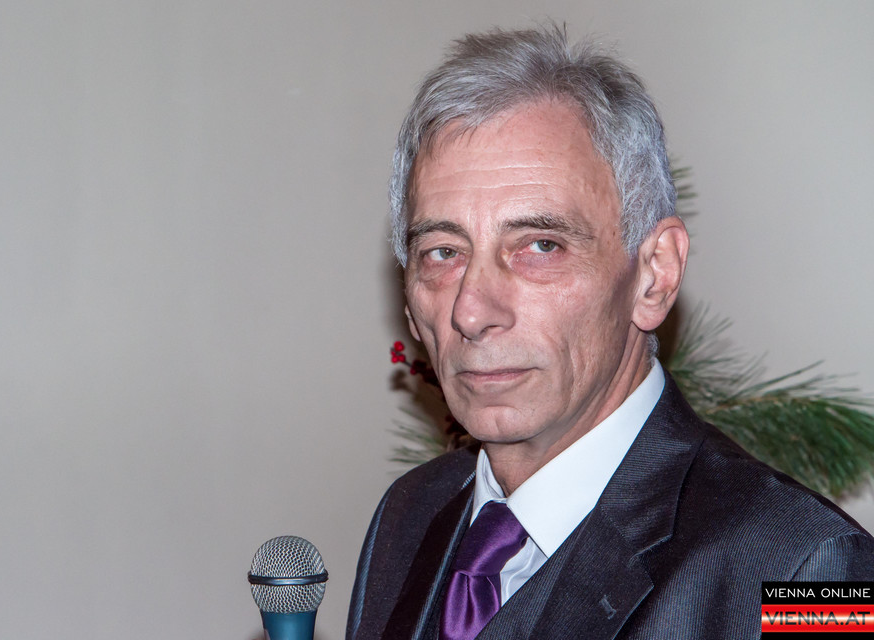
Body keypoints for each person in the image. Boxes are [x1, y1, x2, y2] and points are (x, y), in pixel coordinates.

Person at [346, 25, 874, 640]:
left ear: (654, 275)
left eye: (540, 246)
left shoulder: (810, 572)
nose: (472, 310)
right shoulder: (409, 515)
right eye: (442, 252)